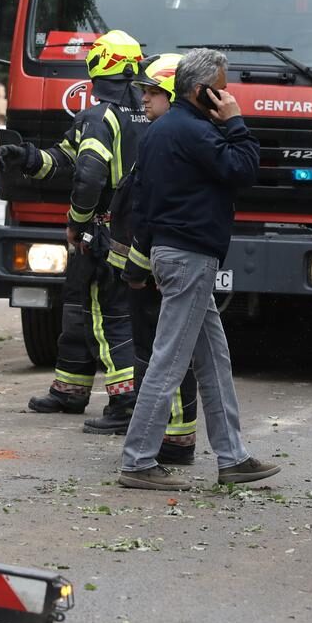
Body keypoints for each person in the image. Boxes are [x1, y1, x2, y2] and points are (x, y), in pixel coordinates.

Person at [117, 47, 280, 490]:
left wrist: (142, 258)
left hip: (174, 254)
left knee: (214, 360)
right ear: (201, 90)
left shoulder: (159, 130)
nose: (227, 96)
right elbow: (244, 170)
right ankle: (137, 462)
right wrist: (235, 121)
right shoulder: (195, 131)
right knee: (169, 362)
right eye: (222, 89)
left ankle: (232, 457)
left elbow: (143, 203)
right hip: (190, 257)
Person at [0, 31, 145, 428]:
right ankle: (70, 389)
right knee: (78, 305)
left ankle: (124, 403)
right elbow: (65, 156)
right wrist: (27, 156)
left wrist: (75, 224)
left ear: (98, 67)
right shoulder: (147, 114)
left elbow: (88, 176)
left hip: (101, 233)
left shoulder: (99, 117)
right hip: (135, 232)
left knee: (107, 314)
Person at [101, 54, 198, 463]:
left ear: (172, 95)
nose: (144, 98)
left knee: (161, 354)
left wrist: (138, 265)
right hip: (157, 263)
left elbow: (149, 211)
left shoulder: (166, 142)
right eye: (143, 90)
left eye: (153, 92)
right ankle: (172, 437)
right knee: (167, 352)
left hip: (154, 269)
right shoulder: (169, 137)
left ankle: (171, 441)